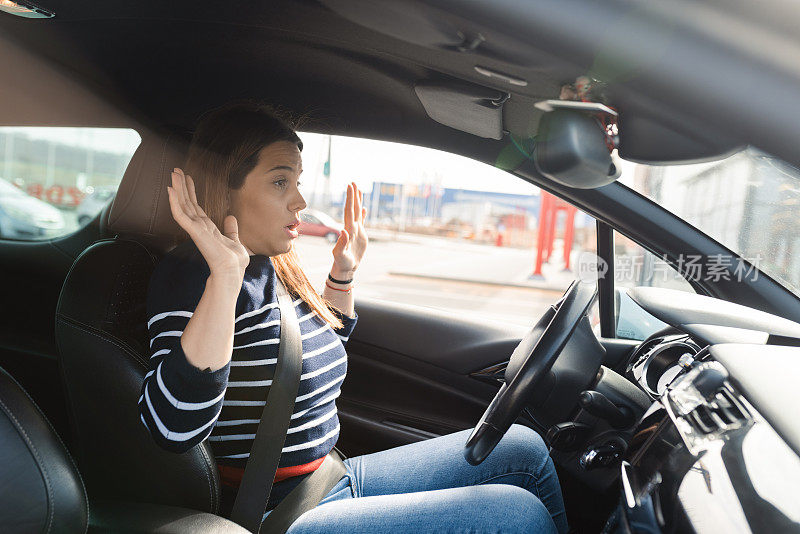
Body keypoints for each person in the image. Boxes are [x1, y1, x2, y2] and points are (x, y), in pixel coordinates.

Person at [137, 101, 568, 533]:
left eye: (298, 182)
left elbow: (312, 352)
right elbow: (173, 428)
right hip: (273, 514)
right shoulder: (193, 277)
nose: (301, 201)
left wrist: (343, 274)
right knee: (516, 515)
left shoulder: (266, 263)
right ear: (226, 188)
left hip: (326, 479)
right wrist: (225, 279)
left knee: (524, 450)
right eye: (280, 182)